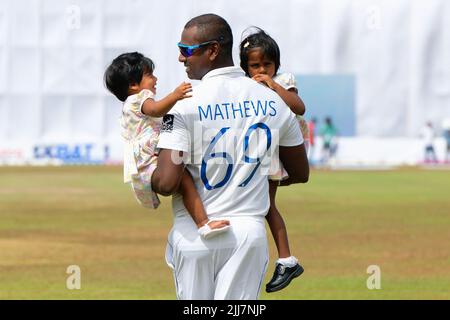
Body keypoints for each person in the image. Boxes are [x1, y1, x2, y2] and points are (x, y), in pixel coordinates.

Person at [151, 14, 309, 300]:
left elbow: (165, 183)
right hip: (248, 235)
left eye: (187, 50)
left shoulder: (183, 105)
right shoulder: (274, 101)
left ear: (213, 51)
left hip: (195, 235)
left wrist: (147, 170)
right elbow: (300, 173)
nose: (180, 57)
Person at [103, 52, 230, 239]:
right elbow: (156, 109)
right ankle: (203, 223)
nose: (155, 79)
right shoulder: (139, 99)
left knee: (185, 181)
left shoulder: (130, 104)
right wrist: (175, 96)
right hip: (151, 162)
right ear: (133, 84)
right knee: (186, 180)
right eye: (149, 75)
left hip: (144, 164)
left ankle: (202, 222)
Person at [239, 27, 307, 293]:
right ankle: (280, 259)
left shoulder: (282, 80)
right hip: (259, 148)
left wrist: (274, 85)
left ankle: (286, 259)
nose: (261, 70)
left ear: (276, 64)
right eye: (254, 65)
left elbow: (299, 106)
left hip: (280, 148)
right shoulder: (244, 85)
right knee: (262, 204)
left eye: (267, 64)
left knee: (266, 206)